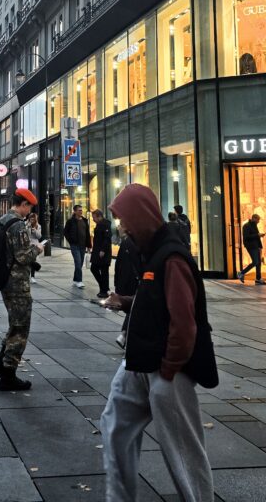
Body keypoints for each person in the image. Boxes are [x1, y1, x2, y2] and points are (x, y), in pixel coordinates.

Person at [101, 184, 216, 502]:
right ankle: (118, 496)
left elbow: (184, 321)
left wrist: (168, 371)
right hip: (140, 360)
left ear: (139, 216)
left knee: (182, 448)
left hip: (166, 368)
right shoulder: (150, 251)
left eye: (123, 218)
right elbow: (155, 300)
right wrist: (123, 301)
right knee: (114, 422)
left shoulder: (171, 258)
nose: (121, 225)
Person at [0, 188, 41, 391]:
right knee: (20, 328)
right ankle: (8, 373)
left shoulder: (3, 219)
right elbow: (23, 257)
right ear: (24, 204)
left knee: (14, 324)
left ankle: (0, 364)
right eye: (29, 207)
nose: (29, 212)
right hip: (17, 284)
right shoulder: (18, 225)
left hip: (5, 280)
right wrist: (37, 249)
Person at [113, 229, 141, 349]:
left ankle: (125, 334)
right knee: (135, 306)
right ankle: (125, 334)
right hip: (137, 280)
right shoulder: (137, 242)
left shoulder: (127, 242)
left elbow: (118, 264)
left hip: (131, 280)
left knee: (135, 306)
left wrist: (117, 283)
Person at [64, 205, 91, 288]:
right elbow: (65, 232)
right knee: (78, 262)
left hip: (82, 246)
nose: (81, 212)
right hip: (75, 246)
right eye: (79, 210)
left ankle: (75, 280)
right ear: (75, 211)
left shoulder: (85, 221)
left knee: (80, 263)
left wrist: (89, 245)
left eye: (81, 210)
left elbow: (87, 234)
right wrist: (71, 241)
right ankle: (79, 281)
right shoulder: (70, 221)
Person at [238, 213, 266, 285]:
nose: (258, 221)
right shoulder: (246, 226)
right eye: (258, 220)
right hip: (251, 246)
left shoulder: (254, 225)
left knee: (258, 262)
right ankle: (241, 273)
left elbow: (254, 236)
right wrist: (257, 235)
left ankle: (258, 278)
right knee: (255, 262)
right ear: (254, 218)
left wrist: (259, 239)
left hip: (256, 246)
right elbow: (246, 237)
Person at [91, 209, 112, 298]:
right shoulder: (99, 224)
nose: (93, 219)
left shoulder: (105, 225)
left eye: (94, 217)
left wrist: (103, 250)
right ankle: (104, 288)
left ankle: (104, 290)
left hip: (103, 253)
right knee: (94, 268)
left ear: (99, 216)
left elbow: (107, 239)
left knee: (104, 271)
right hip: (97, 251)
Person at [27, 212, 43, 284]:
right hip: (26, 245)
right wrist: (28, 227)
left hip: (35, 245)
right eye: (31, 218)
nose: (32, 220)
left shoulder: (38, 226)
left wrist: (34, 230)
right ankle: (27, 276)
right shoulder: (25, 224)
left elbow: (39, 236)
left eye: (33, 219)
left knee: (33, 260)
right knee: (28, 261)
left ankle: (32, 277)